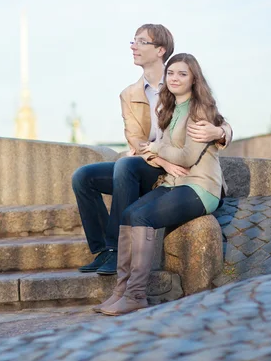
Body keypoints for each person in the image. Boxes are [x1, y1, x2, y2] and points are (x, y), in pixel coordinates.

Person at [72, 24, 232, 277]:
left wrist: (221, 132)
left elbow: (212, 116)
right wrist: (162, 160)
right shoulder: (129, 94)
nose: (133, 46)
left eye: (141, 41)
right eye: (132, 41)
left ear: (160, 50)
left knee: (125, 166)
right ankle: (103, 249)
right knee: (83, 177)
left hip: (174, 169)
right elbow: (135, 140)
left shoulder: (180, 84)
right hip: (152, 162)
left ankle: (117, 251)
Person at [98, 53, 227, 315]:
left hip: (200, 188)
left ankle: (136, 294)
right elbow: (169, 152)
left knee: (143, 217)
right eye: (171, 73)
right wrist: (161, 149)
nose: (175, 78)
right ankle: (121, 290)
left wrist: (157, 147)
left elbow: (187, 156)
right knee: (128, 213)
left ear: (193, 79)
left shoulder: (199, 109)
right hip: (174, 183)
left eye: (183, 74)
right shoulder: (169, 109)